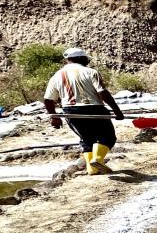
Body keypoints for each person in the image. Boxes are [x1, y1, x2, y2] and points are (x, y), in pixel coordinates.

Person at [43, 47, 125, 175]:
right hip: (94, 109)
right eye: (86, 58)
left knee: (86, 139)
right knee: (107, 137)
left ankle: (92, 169)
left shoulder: (57, 75)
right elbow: (102, 92)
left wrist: (54, 117)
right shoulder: (90, 72)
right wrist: (117, 111)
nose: (88, 60)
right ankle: (97, 159)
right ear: (81, 58)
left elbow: (48, 99)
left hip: (70, 111)